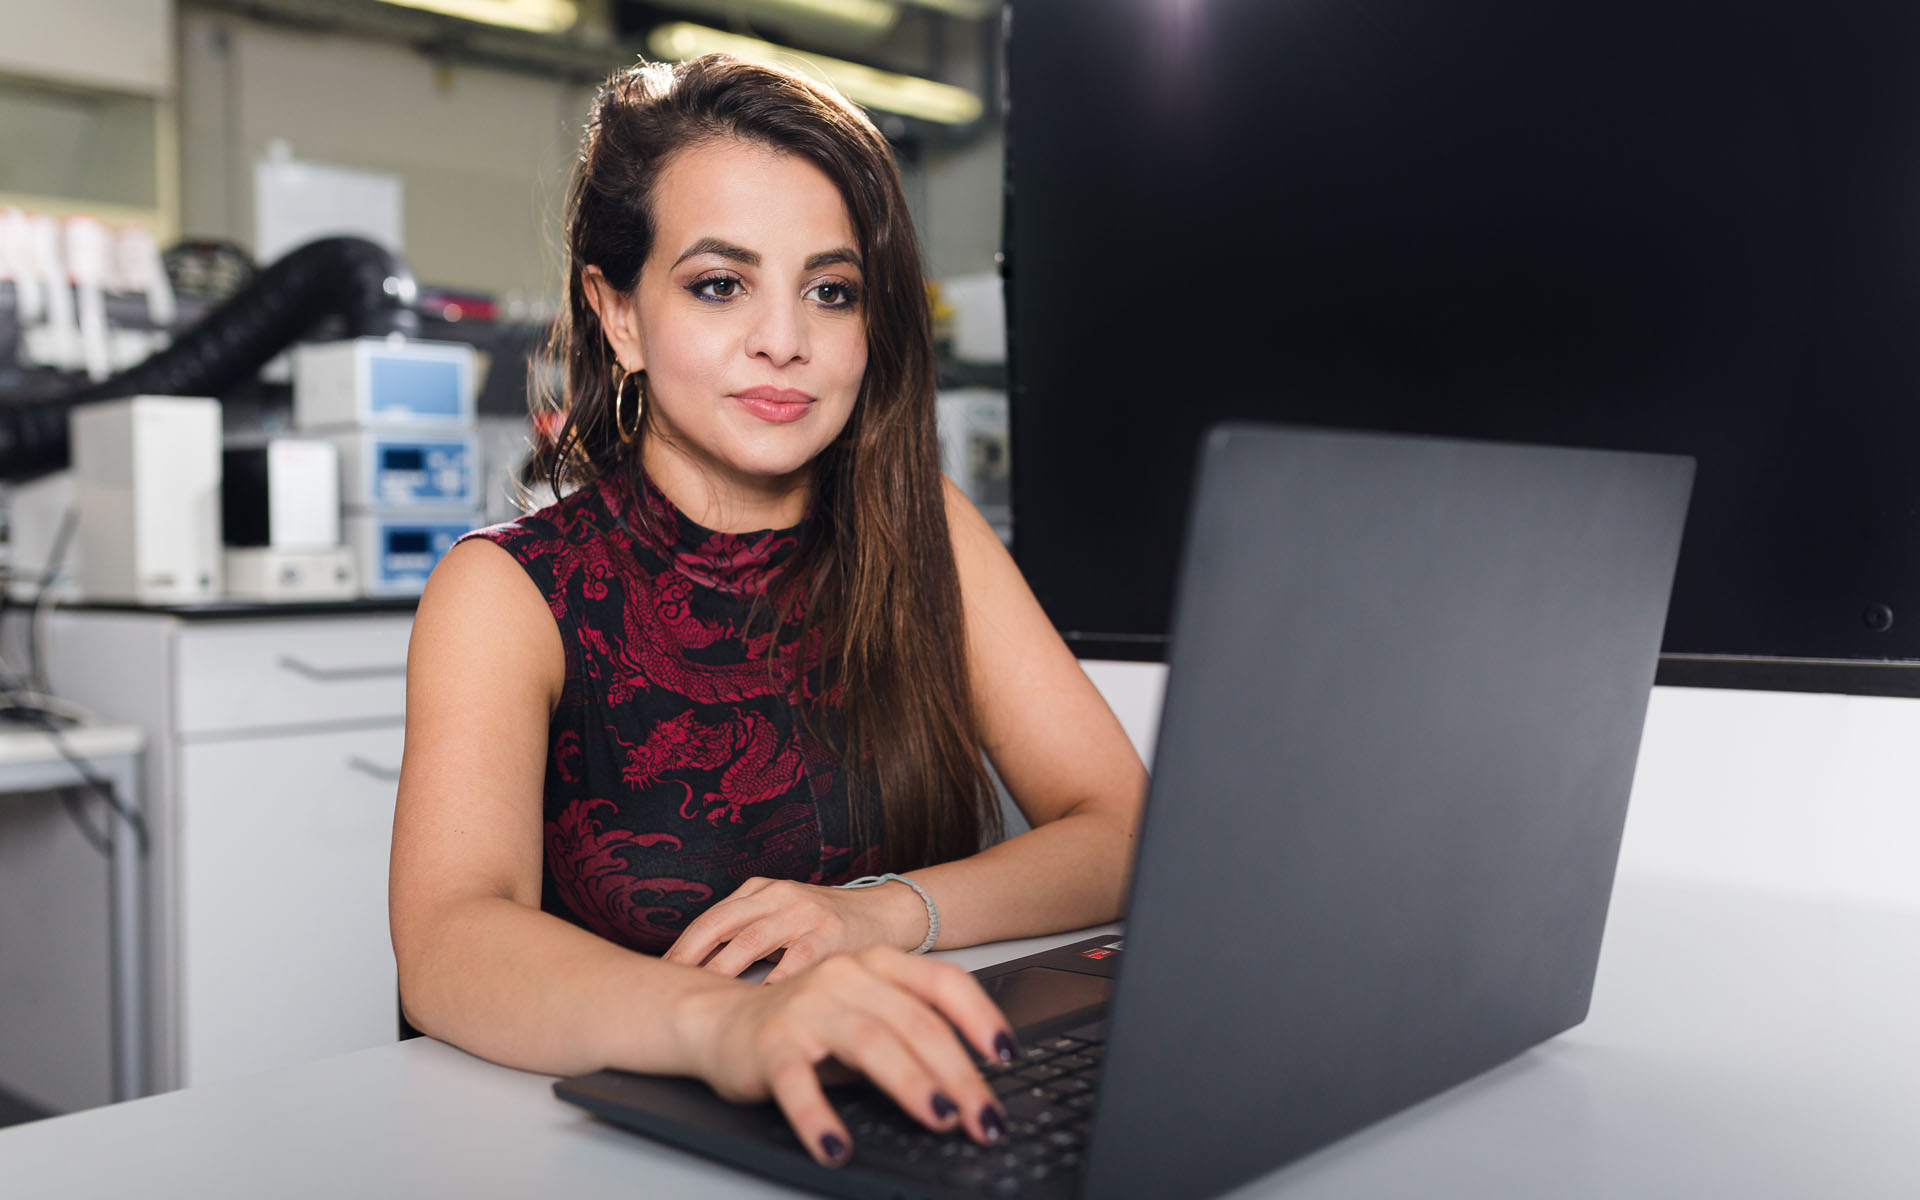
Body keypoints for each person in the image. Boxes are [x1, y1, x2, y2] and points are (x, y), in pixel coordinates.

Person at [388, 54, 1147, 1169]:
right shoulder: (508, 592)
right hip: (610, 1153)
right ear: (619, 314)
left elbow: (1124, 830)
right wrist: (734, 1024)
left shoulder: (924, 532)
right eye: (718, 283)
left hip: (895, 1112)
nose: (784, 339)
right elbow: (450, 942)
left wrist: (881, 914)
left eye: (830, 290)